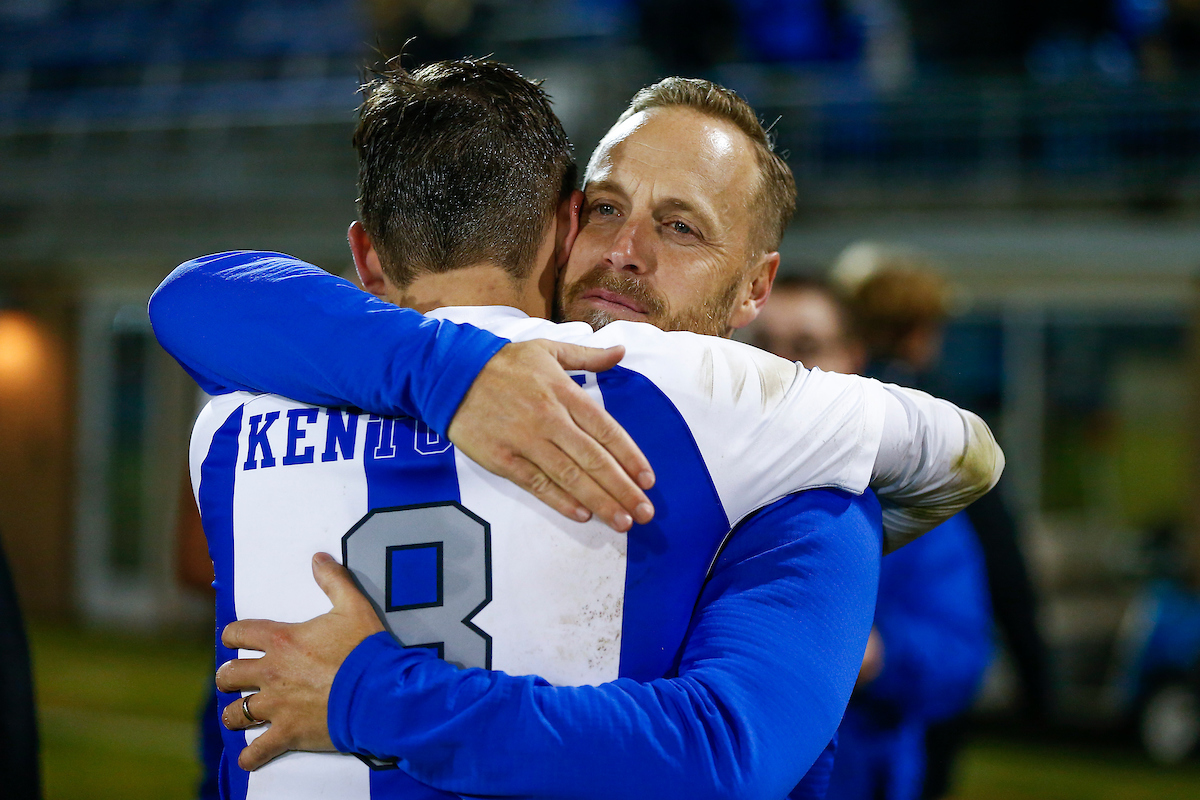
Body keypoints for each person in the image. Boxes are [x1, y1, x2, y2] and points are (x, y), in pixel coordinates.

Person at [150, 61, 1002, 799]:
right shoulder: (430, 375)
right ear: (560, 223)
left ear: (755, 288)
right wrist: (452, 374)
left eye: (680, 227)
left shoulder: (796, 469)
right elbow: (198, 297)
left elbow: (725, 753)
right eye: (605, 208)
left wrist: (374, 694)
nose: (626, 250)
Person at [750, 274, 994, 800]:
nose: (783, 366)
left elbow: (962, 657)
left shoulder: (905, 498)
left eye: (806, 348)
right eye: (762, 346)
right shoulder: (704, 479)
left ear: (854, 357)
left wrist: (870, 654)